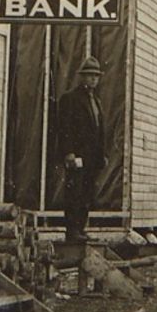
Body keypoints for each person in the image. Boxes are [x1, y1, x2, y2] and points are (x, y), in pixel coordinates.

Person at [53, 59, 105, 243]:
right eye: (90, 76)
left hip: (91, 158)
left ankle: (81, 228)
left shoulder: (96, 102)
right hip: (77, 156)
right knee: (74, 192)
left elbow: (99, 130)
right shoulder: (71, 99)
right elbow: (64, 128)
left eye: (96, 77)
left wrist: (101, 155)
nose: (93, 80)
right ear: (82, 77)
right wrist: (69, 153)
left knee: (86, 193)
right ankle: (72, 230)